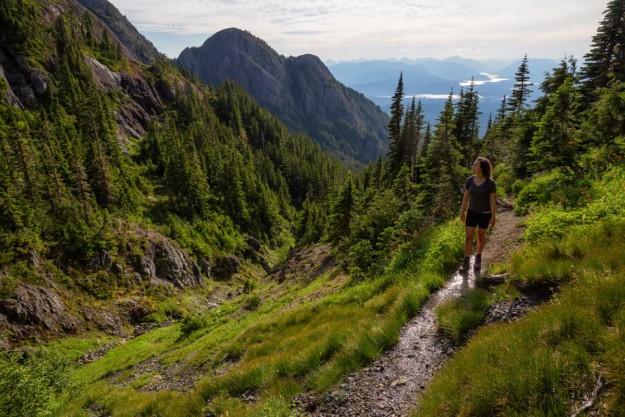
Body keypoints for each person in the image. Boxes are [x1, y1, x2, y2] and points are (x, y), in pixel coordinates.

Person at [459, 157, 497, 272]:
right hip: (471, 212)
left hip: (485, 214)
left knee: (481, 236)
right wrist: (462, 210)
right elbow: (466, 196)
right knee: (468, 237)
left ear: (482, 168)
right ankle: (466, 261)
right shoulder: (469, 180)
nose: (473, 167)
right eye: (473, 164)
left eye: (475, 165)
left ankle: (478, 257)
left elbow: (492, 200)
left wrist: (493, 216)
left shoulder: (490, 183)